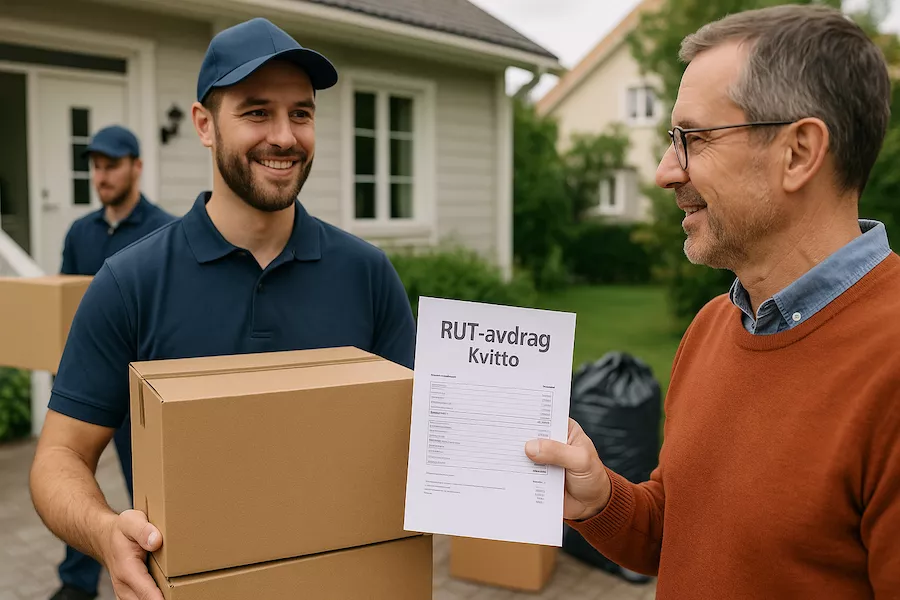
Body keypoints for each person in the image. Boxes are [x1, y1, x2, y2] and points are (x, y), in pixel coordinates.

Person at [29, 17, 416, 600]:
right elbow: (58, 458)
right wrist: (108, 533)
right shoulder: (130, 283)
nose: (284, 136)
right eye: (257, 112)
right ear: (204, 126)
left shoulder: (366, 274)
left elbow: (427, 435)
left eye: (301, 113)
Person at [525, 5, 900, 598]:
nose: (664, 171)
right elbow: (682, 535)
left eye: (692, 139)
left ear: (799, 152)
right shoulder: (713, 326)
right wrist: (600, 498)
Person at [52, 125, 175, 600]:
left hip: (143, 389)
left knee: (149, 496)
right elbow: (64, 305)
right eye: (96, 166)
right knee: (74, 480)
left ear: (136, 167)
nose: (102, 176)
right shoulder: (79, 233)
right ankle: (76, 582)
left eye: (112, 165)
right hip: (90, 383)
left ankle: (160, 577)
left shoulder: (164, 232)